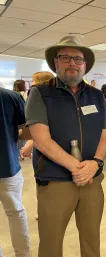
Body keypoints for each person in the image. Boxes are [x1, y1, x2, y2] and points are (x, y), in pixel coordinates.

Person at [25, 36, 106, 257]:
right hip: (55, 182)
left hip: (92, 180)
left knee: (92, 241)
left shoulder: (95, 95)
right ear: (56, 63)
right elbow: (41, 139)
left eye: (78, 58)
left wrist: (95, 163)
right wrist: (77, 167)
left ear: (85, 65)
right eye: (66, 57)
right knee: (51, 245)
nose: (72, 63)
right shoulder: (40, 94)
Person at [0, 87, 32, 257]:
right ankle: (23, 256)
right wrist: (10, 133)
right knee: (15, 213)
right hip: (8, 165)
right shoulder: (10, 97)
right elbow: (28, 131)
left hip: (9, 166)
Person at [20, 71, 56, 221]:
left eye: (34, 83)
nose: (32, 86)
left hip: (49, 152)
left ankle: (47, 211)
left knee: (47, 184)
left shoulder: (48, 102)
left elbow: (42, 131)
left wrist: (28, 145)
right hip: (43, 151)